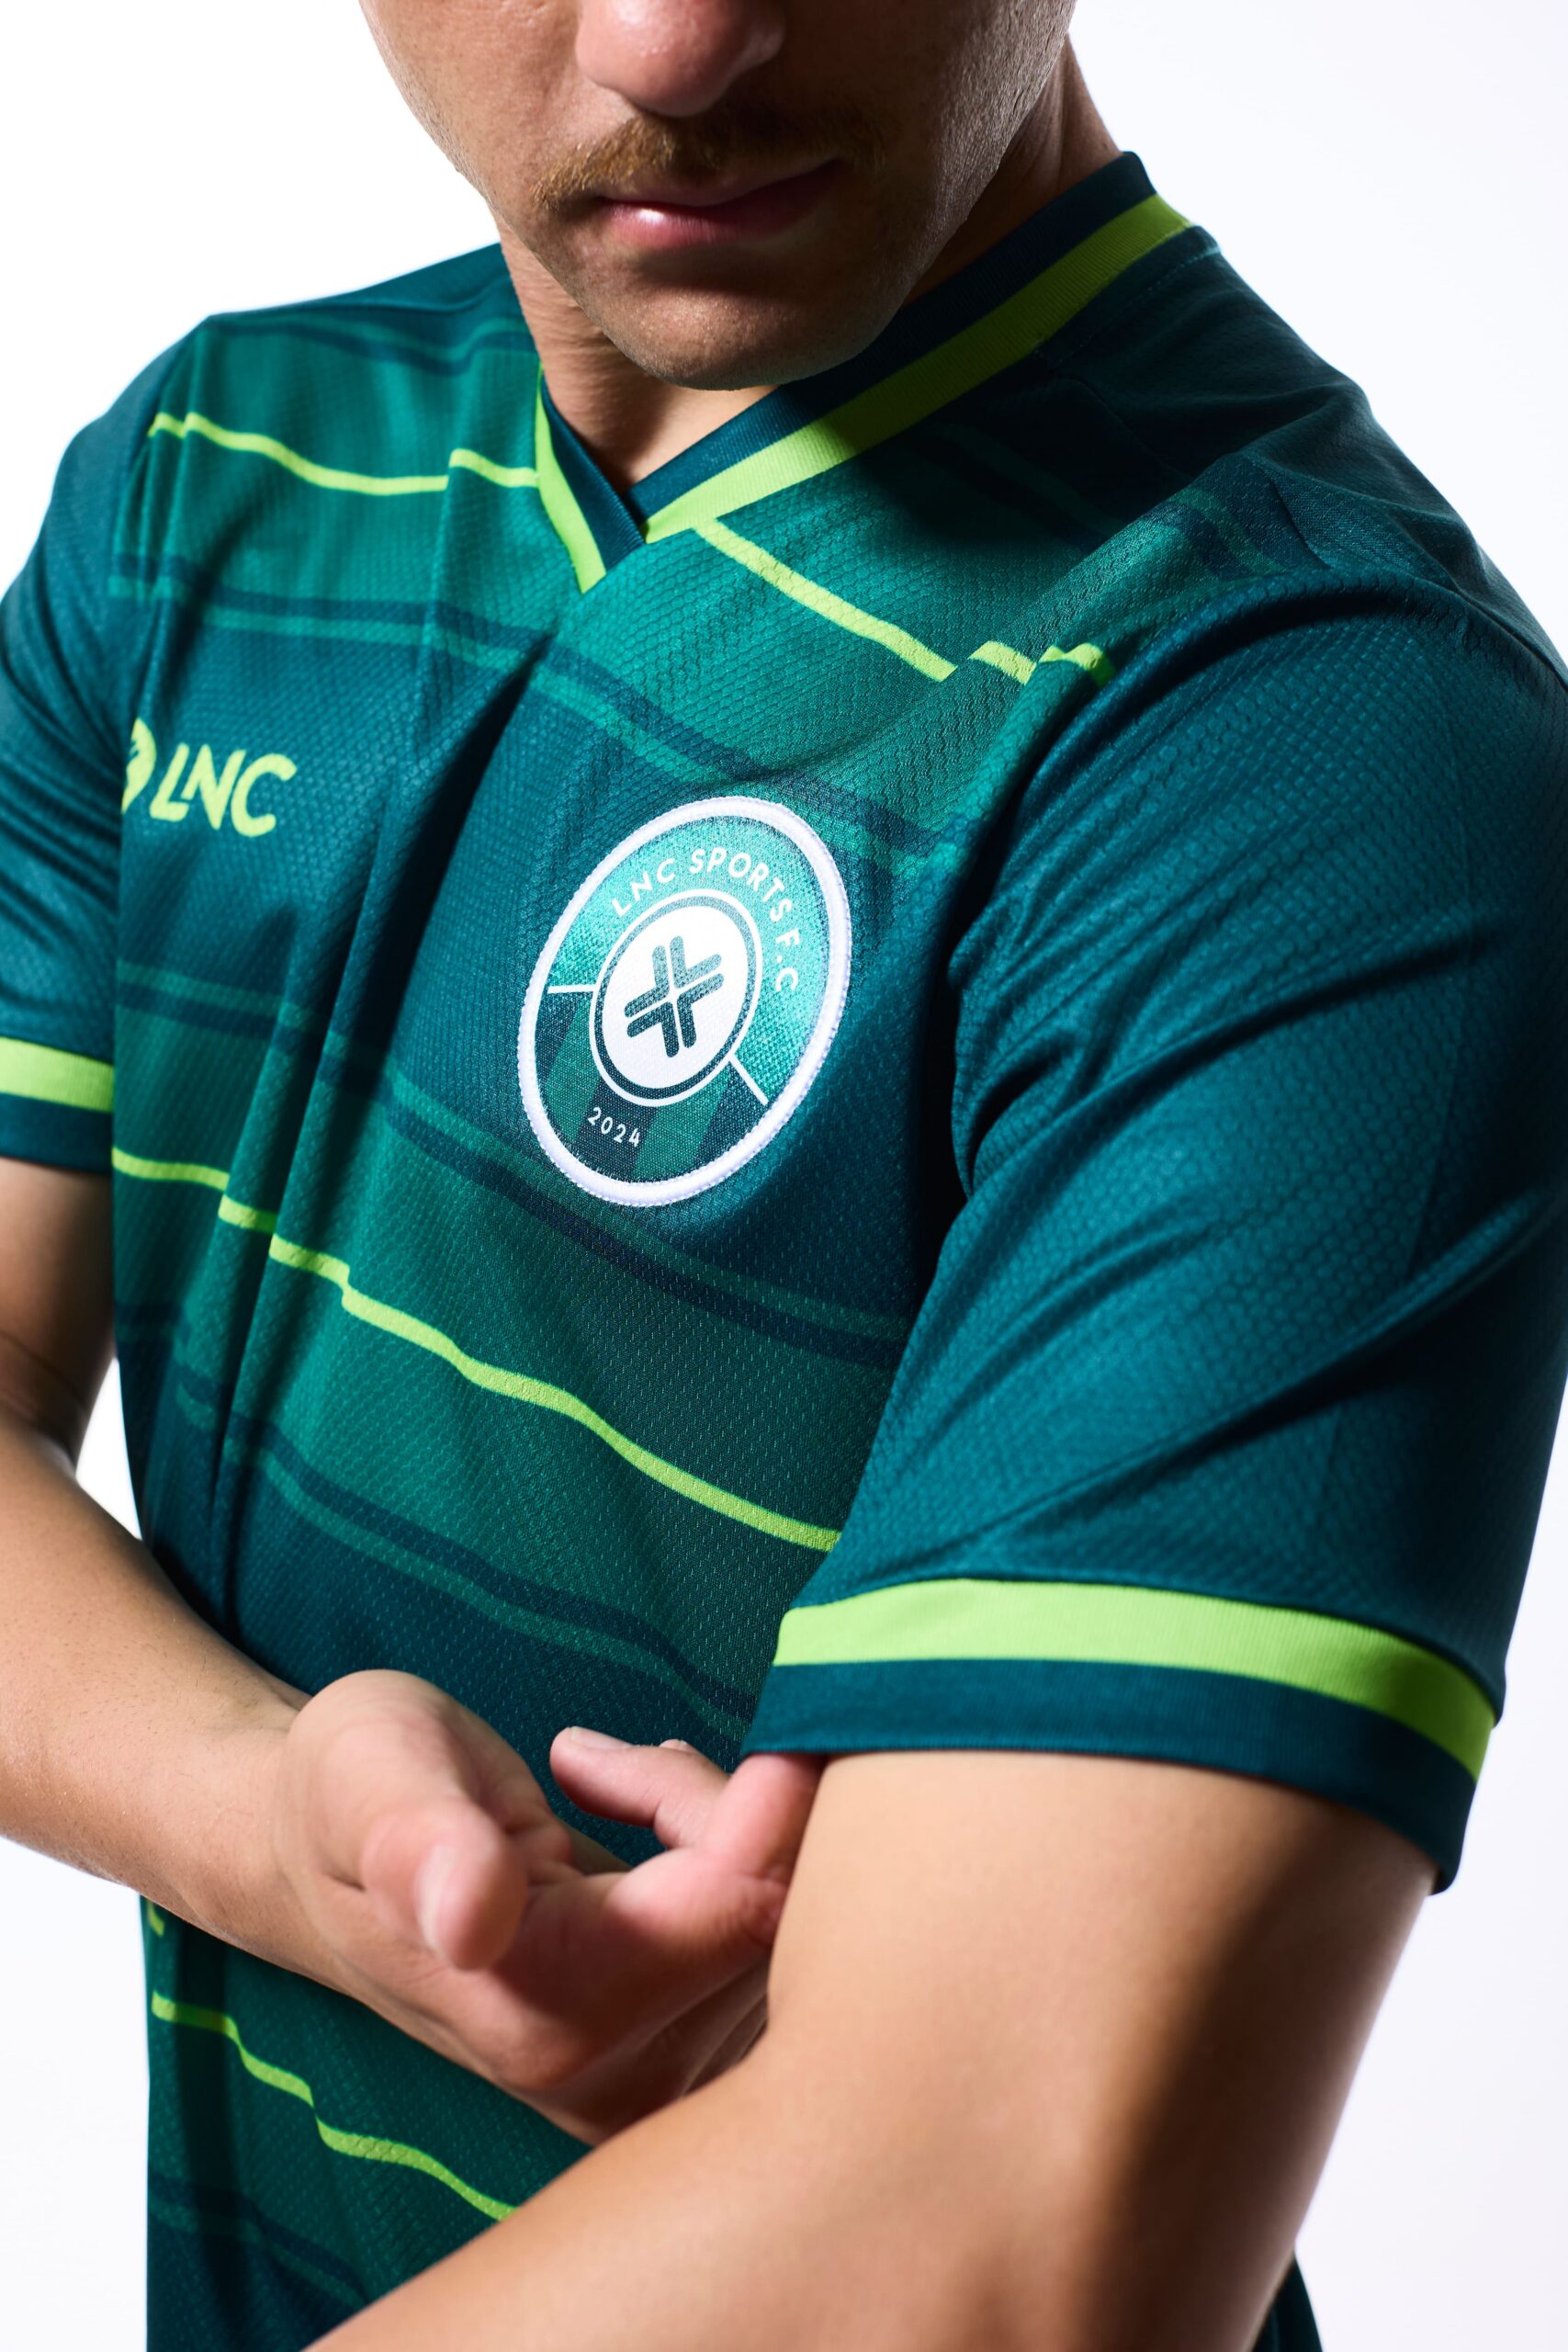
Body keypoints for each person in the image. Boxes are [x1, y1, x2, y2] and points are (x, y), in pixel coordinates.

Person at [2, 1, 1565, 2345]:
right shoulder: (214, 471)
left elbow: (985, 2232)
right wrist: (282, 1824)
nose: (672, 40)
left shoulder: (1324, 736)